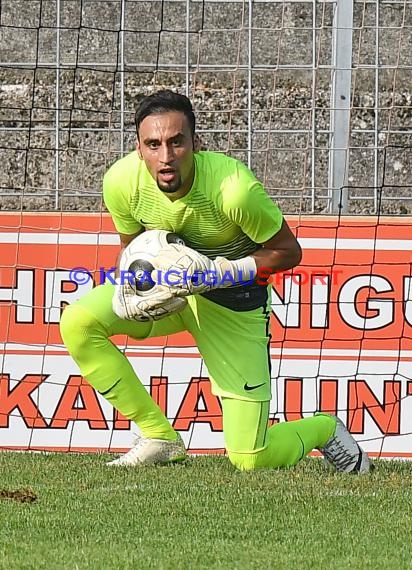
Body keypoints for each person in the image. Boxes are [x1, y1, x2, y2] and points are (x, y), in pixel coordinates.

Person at [60, 90, 372, 473]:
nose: (166, 156)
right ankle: (158, 436)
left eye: (177, 142)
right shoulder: (121, 183)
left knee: (251, 459)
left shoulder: (234, 190)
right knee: (78, 322)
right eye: (153, 145)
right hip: (173, 296)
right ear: (138, 149)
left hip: (233, 304)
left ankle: (324, 429)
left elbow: (288, 252)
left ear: (196, 143)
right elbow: (133, 252)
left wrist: (218, 272)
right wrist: (137, 291)